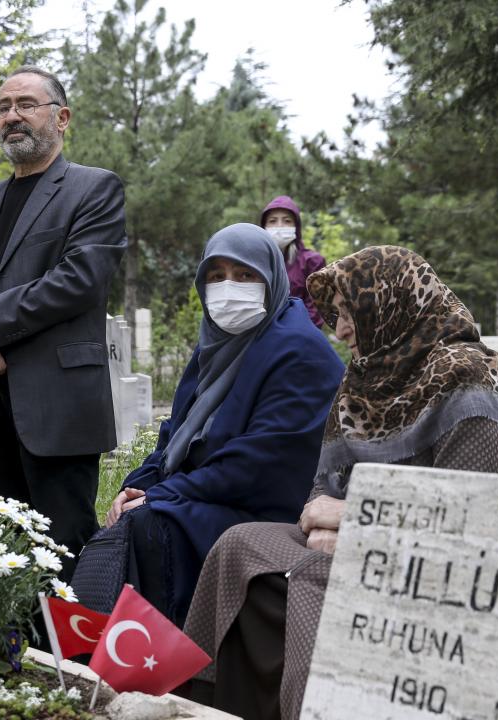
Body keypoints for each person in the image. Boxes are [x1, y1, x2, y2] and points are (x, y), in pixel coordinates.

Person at [182, 246, 498, 720]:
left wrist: (355, 520)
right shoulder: (364, 381)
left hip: (430, 560)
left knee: (310, 576)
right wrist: (326, 520)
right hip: (352, 540)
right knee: (238, 545)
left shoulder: (465, 375)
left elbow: (472, 514)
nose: (341, 331)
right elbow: (321, 489)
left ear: (390, 305)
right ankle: (210, 704)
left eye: (348, 314)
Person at [0, 66, 127, 576]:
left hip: (56, 408)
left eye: (25, 104)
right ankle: (13, 633)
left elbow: (78, 280)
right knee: (2, 555)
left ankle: (72, 634)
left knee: (64, 553)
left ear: (62, 118)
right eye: (3, 107)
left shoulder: (93, 189)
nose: (12, 116)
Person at [98, 223, 345, 626]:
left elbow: (255, 465)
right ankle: (112, 648)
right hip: (214, 496)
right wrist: (135, 487)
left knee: (152, 524)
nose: (229, 287)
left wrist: (160, 496)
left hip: (267, 511)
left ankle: (166, 652)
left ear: (271, 278)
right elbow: (174, 437)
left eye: (245, 275)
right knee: (128, 519)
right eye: (217, 276)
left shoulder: (300, 351)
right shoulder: (214, 348)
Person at [261, 196, 326, 329]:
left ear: (296, 226)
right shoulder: (255, 261)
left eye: (287, 221)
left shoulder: (312, 262)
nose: (279, 226)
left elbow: (316, 309)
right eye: (272, 221)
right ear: (264, 227)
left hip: (299, 334)